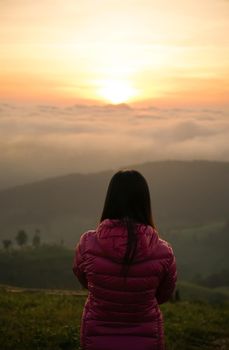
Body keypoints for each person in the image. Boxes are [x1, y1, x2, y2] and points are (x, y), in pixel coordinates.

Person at [73, 170, 177, 350]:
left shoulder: (87, 244)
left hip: (97, 338)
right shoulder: (164, 252)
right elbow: (164, 295)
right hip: (145, 340)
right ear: (145, 202)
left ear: (110, 200)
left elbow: (83, 278)